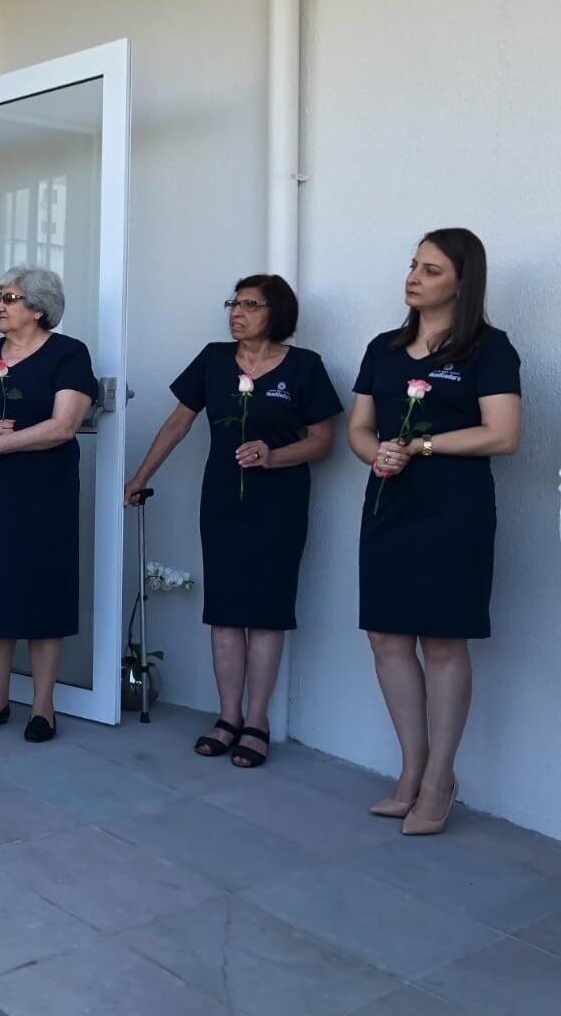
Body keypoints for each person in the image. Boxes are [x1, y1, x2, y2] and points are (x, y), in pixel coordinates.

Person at [124, 275, 342, 768]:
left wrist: (273, 454)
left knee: (266, 611)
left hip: (280, 502)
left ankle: (258, 721)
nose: (236, 312)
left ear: (277, 313)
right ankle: (227, 717)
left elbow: (322, 440)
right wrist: (140, 476)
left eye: (250, 304)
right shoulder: (214, 359)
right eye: (233, 302)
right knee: (223, 610)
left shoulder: (305, 367)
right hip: (222, 498)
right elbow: (178, 423)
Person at [349, 228, 521, 835]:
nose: (414, 277)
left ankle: (441, 779)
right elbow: (360, 428)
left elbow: (503, 433)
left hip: (455, 511)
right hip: (388, 504)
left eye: (431, 269)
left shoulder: (489, 349)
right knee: (386, 638)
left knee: (444, 642)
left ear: (461, 282)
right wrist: (377, 454)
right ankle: (411, 769)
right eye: (413, 265)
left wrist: (420, 445)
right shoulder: (384, 348)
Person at [0, 266, 97, 742]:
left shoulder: (68, 354)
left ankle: (43, 707)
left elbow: (64, 425)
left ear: (39, 308)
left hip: (45, 494)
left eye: (9, 298)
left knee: (43, 591)